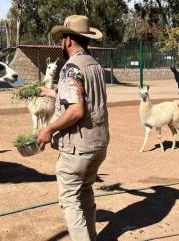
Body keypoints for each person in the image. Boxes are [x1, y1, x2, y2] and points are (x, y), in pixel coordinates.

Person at [37, 15, 110, 241]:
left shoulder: (71, 67)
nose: (61, 43)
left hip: (78, 149)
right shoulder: (94, 65)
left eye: (62, 39)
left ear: (68, 40)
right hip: (98, 144)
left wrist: (48, 130)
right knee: (85, 193)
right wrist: (53, 93)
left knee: (70, 200)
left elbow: (77, 110)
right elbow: (83, 97)